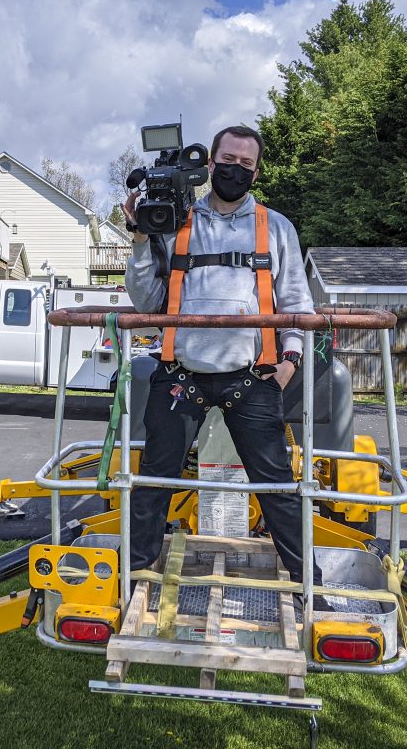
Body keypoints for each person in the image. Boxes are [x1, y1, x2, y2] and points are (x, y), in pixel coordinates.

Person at [123, 125, 329, 610]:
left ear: (256, 171)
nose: (236, 169)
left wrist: (290, 361)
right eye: (228, 160)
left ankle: (312, 588)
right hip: (180, 375)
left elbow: (297, 302)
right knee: (153, 482)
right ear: (209, 164)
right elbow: (149, 301)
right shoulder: (174, 221)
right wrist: (138, 241)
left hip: (251, 378)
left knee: (278, 487)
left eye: (246, 163)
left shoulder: (275, 227)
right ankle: (134, 582)